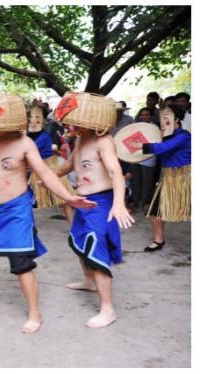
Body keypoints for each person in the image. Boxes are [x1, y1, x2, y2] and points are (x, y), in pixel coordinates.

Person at [0, 93, 96, 334]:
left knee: (21, 262)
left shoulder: (24, 143)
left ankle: (34, 313)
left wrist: (68, 197)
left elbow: (46, 174)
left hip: (16, 210)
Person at [55, 92, 135, 329]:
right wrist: (51, 176)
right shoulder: (80, 140)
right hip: (82, 202)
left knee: (96, 249)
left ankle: (108, 309)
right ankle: (88, 281)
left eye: (74, 118)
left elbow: (115, 173)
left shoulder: (104, 140)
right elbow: (72, 163)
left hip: (100, 203)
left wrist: (118, 203)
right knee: (78, 242)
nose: (70, 123)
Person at [129, 105, 191, 252]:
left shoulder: (184, 136)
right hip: (168, 179)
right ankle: (158, 240)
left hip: (185, 180)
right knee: (155, 211)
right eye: (161, 119)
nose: (163, 123)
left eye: (166, 119)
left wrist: (141, 145)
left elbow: (162, 148)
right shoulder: (165, 136)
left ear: (176, 120)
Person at [27, 104, 74, 224]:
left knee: (63, 200)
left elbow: (29, 149)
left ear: (43, 120)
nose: (33, 120)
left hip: (49, 168)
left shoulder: (44, 136)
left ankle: (74, 227)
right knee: (24, 199)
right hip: (34, 170)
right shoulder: (28, 134)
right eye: (31, 116)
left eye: (37, 116)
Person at [129, 108, 158, 212]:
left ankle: (146, 203)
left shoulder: (155, 128)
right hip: (135, 158)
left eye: (146, 115)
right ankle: (135, 201)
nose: (143, 117)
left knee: (148, 183)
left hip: (149, 159)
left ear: (151, 116)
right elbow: (130, 141)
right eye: (142, 115)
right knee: (135, 182)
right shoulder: (136, 126)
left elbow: (156, 143)